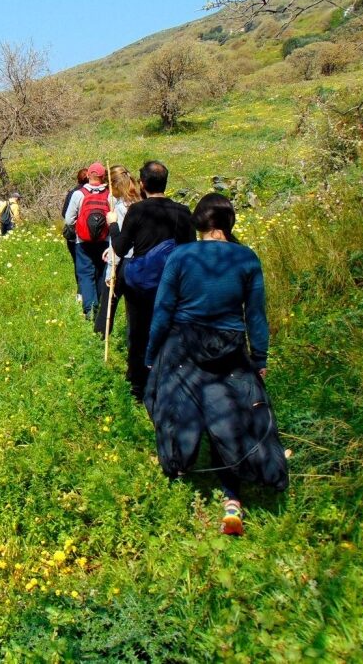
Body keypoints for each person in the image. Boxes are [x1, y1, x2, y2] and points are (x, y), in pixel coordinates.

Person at [144, 193, 289, 535]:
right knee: (231, 415)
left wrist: (152, 355)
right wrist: (260, 358)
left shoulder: (181, 256)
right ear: (228, 223)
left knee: (174, 404)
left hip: (183, 344)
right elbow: (255, 316)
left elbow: (163, 310)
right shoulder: (246, 258)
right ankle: (232, 499)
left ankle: (178, 466)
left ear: (199, 224)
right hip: (229, 345)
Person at [107, 160, 195, 400]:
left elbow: (121, 248)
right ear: (166, 183)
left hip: (142, 285)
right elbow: (191, 252)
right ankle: (171, 380)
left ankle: (138, 386)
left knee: (139, 333)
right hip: (173, 283)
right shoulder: (183, 212)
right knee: (170, 331)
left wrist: (113, 225)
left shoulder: (137, 210)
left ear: (142, 183)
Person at [94, 165, 141, 338]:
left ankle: (100, 337)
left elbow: (120, 242)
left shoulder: (120, 208)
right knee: (134, 307)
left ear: (114, 185)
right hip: (139, 261)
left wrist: (110, 272)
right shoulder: (139, 202)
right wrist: (111, 247)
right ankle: (133, 341)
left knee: (108, 303)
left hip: (123, 263)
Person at [64, 162, 110, 320]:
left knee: (85, 274)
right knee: (100, 273)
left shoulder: (79, 194)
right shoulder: (109, 194)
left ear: (89, 175)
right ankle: (100, 306)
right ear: (103, 177)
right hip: (104, 242)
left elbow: (69, 219)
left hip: (82, 241)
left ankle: (90, 309)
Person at [61, 168, 88, 300]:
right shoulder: (99, 192)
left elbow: (65, 214)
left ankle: (81, 293)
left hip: (76, 235)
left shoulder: (74, 193)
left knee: (79, 263)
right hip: (98, 235)